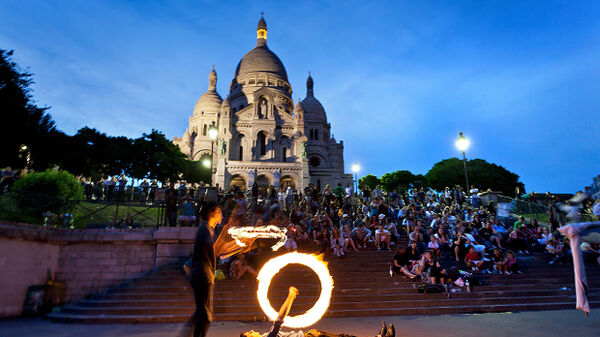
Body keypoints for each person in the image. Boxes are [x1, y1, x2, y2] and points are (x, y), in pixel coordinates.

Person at [186, 200, 222, 337]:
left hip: (203, 275)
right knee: (205, 316)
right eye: (219, 212)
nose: (221, 215)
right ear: (211, 213)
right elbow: (211, 249)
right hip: (203, 276)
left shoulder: (206, 229)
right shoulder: (205, 229)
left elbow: (213, 249)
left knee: (202, 314)